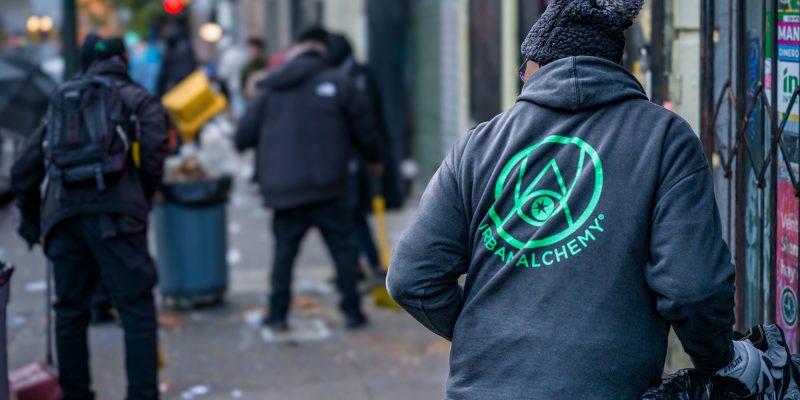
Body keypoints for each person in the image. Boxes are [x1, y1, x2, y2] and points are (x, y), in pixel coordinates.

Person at [386, 0, 788, 399]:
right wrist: (722, 360)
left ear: (535, 66)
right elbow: (692, 287)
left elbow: (411, 277)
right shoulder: (664, 138)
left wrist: (488, 337)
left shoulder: (477, 146)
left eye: (521, 70)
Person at [12, 37, 168, 400]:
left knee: (69, 311)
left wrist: (31, 220)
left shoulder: (61, 102)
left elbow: (23, 168)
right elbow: (156, 148)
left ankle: (77, 393)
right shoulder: (138, 98)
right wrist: (141, 193)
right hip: (117, 216)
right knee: (136, 309)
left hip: (64, 218)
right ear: (124, 59)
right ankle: (142, 394)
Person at [234, 27, 382, 331]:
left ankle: (277, 315)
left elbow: (242, 137)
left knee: (284, 254)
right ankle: (352, 312)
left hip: (283, 190)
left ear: (295, 48)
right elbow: (365, 130)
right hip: (329, 185)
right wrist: (376, 160)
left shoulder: (269, 87)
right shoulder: (340, 83)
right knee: (342, 249)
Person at [326, 33, 386, 279]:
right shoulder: (352, 74)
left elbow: (365, 122)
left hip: (356, 161)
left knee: (350, 215)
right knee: (353, 215)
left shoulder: (352, 78)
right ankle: (361, 265)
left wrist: (373, 157)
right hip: (354, 159)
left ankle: (361, 265)